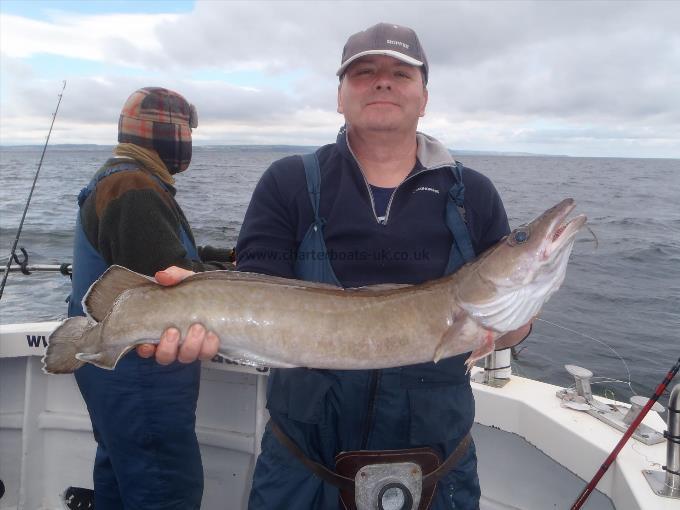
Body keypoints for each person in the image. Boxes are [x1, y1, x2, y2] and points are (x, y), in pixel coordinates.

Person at [144, 23, 531, 510]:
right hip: (301, 469)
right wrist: (199, 302)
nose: (382, 81)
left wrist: (514, 321)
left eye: (401, 73)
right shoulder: (287, 182)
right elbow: (258, 291)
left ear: (424, 97)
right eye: (364, 72)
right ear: (340, 96)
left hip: (436, 473)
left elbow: (510, 326)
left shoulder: (473, 194)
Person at [68, 87, 232, 510]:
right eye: (187, 134)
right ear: (166, 135)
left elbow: (157, 257)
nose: (189, 146)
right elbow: (169, 280)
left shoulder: (118, 177)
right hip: (141, 373)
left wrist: (216, 259)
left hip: (110, 369)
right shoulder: (133, 187)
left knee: (120, 479)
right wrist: (241, 278)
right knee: (164, 490)